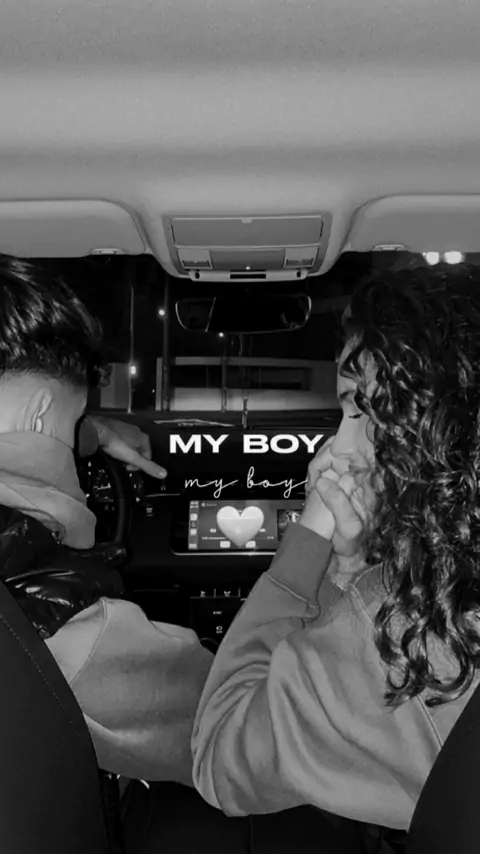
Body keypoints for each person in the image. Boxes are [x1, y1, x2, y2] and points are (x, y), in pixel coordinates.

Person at [191, 264, 480, 845]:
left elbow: (222, 759)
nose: (337, 447)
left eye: (360, 410)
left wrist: (321, 544)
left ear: (437, 425)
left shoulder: (410, 633)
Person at [0, 253, 213, 785]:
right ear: (39, 415)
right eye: (72, 422)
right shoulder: (49, 613)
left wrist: (90, 430)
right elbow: (231, 732)